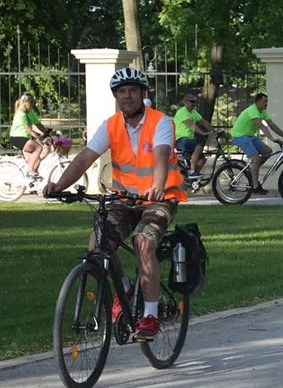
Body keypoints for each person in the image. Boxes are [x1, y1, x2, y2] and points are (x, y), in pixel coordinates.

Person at [43, 67, 187, 340]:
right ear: (116, 96)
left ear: (143, 93)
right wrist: (59, 186)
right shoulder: (111, 125)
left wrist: (157, 185)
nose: (127, 96)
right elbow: (86, 157)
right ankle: (122, 286)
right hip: (123, 199)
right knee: (96, 245)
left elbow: (160, 156)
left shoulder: (161, 122)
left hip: (159, 197)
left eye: (132, 90)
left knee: (144, 242)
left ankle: (151, 316)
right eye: (121, 92)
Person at [230, 93, 283, 196]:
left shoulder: (263, 112)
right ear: (258, 102)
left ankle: (252, 168)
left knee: (267, 151)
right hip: (239, 136)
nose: (266, 104)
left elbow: (272, 125)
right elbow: (262, 126)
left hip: (249, 136)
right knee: (256, 159)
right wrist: (272, 139)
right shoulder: (252, 110)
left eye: (267, 101)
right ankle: (255, 186)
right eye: (264, 101)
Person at [9, 93, 51, 178]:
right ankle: (29, 170)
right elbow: (28, 129)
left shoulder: (31, 112)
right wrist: (38, 137)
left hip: (25, 138)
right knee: (38, 148)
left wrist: (47, 133)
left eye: (34, 102)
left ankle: (31, 182)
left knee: (37, 159)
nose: (33, 104)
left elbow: (38, 124)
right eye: (31, 102)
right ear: (25, 102)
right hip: (17, 138)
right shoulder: (21, 113)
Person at [173, 93, 212, 176]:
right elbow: (191, 125)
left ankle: (193, 178)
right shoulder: (182, 112)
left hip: (189, 140)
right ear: (185, 102)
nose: (194, 104)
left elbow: (204, 122)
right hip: (181, 140)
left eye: (195, 102)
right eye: (191, 101)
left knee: (202, 160)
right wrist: (203, 133)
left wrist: (214, 131)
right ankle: (192, 171)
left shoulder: (194, 112)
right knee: (199, 145)